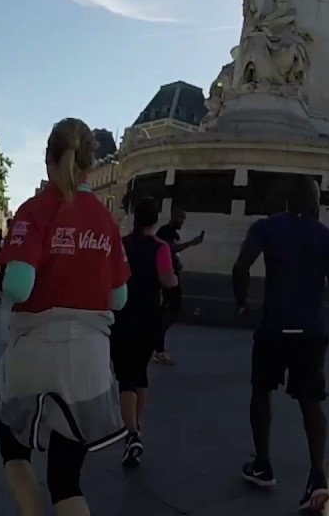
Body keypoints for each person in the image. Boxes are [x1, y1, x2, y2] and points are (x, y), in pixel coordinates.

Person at [0, 118, 129, 516]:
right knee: (66, 480)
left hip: (35, 348)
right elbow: (119, 298)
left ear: (48, 160)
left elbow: (19, 285)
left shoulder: (36, 209)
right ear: (90, 165)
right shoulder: (106, 220)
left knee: (14, 448)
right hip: (89, 358)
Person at [233, 175, 329, 512]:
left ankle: (262, 464)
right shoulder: (326, 235)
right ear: (315, 204)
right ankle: (317, 475)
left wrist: (241, 303)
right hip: (311, 330)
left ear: (286, 202)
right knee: (311, 402)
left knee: (261, 392)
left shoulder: (266, 227)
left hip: (273, 326)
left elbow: (241, 266)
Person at [111, 198, 176, 469]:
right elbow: (167, 280)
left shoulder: (123, 245)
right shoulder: (161, 248)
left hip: (123, 315)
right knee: (140, 375)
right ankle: (137, 428)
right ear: (156, 220)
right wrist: (175, 279)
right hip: (150, 318)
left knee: (126, 377)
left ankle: (131, 434)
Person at [153, 205, 204, 364]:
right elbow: (168, 248)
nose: (182, 221)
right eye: (181, 218)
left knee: (173, 310)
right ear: (174, 216)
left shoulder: (172, 233)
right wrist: (192, 242)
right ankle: (158, 346)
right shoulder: (165, 231)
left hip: (172, 274)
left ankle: (157, 340)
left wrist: (177, 262)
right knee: (168, 311)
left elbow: (172, 252)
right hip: (166, 278)